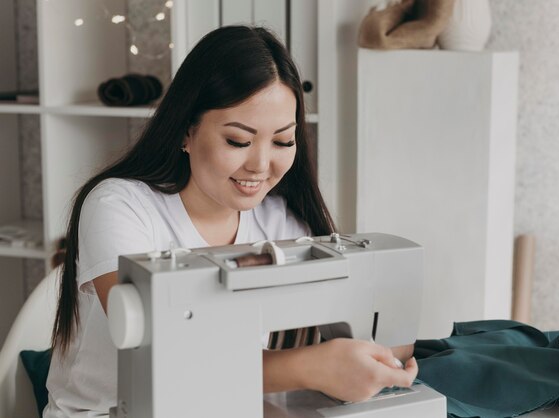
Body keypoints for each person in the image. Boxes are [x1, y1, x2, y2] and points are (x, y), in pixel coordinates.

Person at [44, 25, 418, 417]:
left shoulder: (281, 224)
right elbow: (162, 354)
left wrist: (381, 354)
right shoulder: (120, 206)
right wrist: (313, 367)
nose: (260, 165)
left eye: (283, 141)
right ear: (186, 131)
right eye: (238, 141)